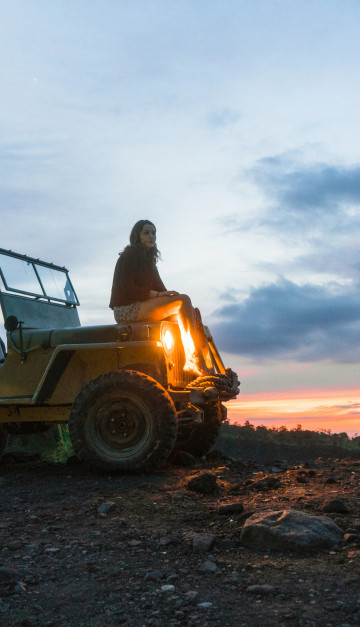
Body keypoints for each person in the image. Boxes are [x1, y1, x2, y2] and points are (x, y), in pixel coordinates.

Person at [109, 219, 211, 376]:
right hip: (126, 309)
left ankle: (206, 365)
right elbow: (127, 289)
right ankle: (193, 360)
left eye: (154, 233)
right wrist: (157, 295)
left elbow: (161, 289)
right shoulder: (130, 255)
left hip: (142, 304)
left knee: (189, 309)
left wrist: (168, 295)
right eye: (146, 233)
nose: (151, 236)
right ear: (137, 235)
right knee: (183, 301)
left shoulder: (149, 260)